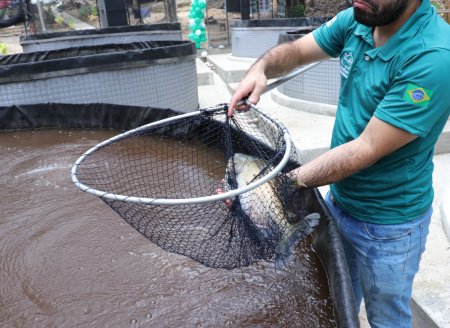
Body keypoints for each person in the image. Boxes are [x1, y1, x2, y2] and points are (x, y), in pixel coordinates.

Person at [228, 0, 450, 327]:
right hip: (339, 202)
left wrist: (282, 183)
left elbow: (367, 148)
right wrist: (259, 69)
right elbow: (298, 51)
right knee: (338, 302)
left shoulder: (434, 58)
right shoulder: (359, 18)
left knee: (387, 317)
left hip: (390, 228)